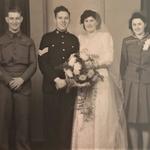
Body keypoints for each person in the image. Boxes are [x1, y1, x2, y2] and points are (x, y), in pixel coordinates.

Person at [71, 10, 127, 149]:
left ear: (97, 22)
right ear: (83, 24)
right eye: (86, 21)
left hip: (101, 78)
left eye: (91, 20)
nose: (89, 23)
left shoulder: (105, 36)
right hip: (84, 79)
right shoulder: (80, 38)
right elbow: (77, 58)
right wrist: (80, 68)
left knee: (102, 113)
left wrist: (93, 64)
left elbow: (109, 58)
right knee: (85, 113)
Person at [38, 6, 79, 150]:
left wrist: (68, 81)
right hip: (51, 88)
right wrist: (56, 79)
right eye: (60, 18)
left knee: (66, 124)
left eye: (66, 18)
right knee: (51, 124)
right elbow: (42, 62)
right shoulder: (46, 38)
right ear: (55, 19)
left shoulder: (74, 39)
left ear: (69, 20)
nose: (63, 21)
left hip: (68, 89)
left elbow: (78, 64)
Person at [0, 6, 37, 150]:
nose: (14, 22)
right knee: (3, 121)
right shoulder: (1, 41)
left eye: (17, 19)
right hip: (4, 84)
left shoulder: (28, 41)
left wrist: (21, 79)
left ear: (21, 20)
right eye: (11, 19)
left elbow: (33, 64)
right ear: (7, 20)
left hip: (23, 84)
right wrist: (9, 80)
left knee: (23, 121)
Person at [120, 12, 150, 149]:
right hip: (131, 83)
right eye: (134, 24)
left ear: (145, 25)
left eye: (139, 24)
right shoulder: (126, 41)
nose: (137, 27)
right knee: (131, 119)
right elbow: (123, 64)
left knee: (145, 120)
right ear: (131, 26)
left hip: (147, 83)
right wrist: (124, 82)